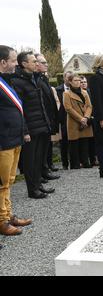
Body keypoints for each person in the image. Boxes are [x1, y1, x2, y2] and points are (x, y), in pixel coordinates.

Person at [0, 45, 32, 237]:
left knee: (9, 181)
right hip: (3, 141)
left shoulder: (7, 82)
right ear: (3, 62)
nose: (15, 64)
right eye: (13, 60)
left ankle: (8, 214)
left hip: (14, 139)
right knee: (2, 183)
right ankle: (2, 220)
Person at [11, 52, 53, 198]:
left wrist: (47, 123)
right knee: (30, 160)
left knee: (39, 159)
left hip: (40, 125)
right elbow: (20, 109)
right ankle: (32, 190)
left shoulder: (34, 78)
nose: (37, 63)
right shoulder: (17, 82)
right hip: (30, 128)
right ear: (24, 64)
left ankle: (38, 185)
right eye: (33, 61)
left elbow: (41, 105)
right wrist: (25, 130)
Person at [34, 54, 60, 181]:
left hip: (48, 118)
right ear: (36, 64)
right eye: (43, 62)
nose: (47, 64)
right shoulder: (37, 80)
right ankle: (41, 172)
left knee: (45, 147)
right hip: (41, 120)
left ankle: (45, 169)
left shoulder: (43, 79)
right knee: (40, 149)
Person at [63, 74, 94, 169]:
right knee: (74, 144)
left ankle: (85, 161)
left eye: (79, 80)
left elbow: (89, 106)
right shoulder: (66, 94)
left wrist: (86, 117)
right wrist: (81, 119)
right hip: (74, 121)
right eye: (75, 80)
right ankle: (75, 164)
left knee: (85, 142)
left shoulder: (85, 92)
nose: (78, 82)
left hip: (85, 120)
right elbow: (68, 108)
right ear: (70, 82)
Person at [55, 71, 72, 170]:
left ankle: (75, 161)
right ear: (64, 78)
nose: (69, 80)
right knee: (64, 142)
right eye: (68, 78)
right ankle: (65, 163)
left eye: (71, 78)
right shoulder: (58, 90)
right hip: (62, 119)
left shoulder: (75, 89)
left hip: (73, 119)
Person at [80, 76, 98, 167]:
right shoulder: (78, 93)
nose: (83, 83)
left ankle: (93, 159)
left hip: (92, 118)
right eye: (82, 82)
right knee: (83, 142)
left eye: (85, 82)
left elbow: (94, 104)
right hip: (81, 119)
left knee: (93, 141)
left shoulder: (91, 92)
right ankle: (84, 161)